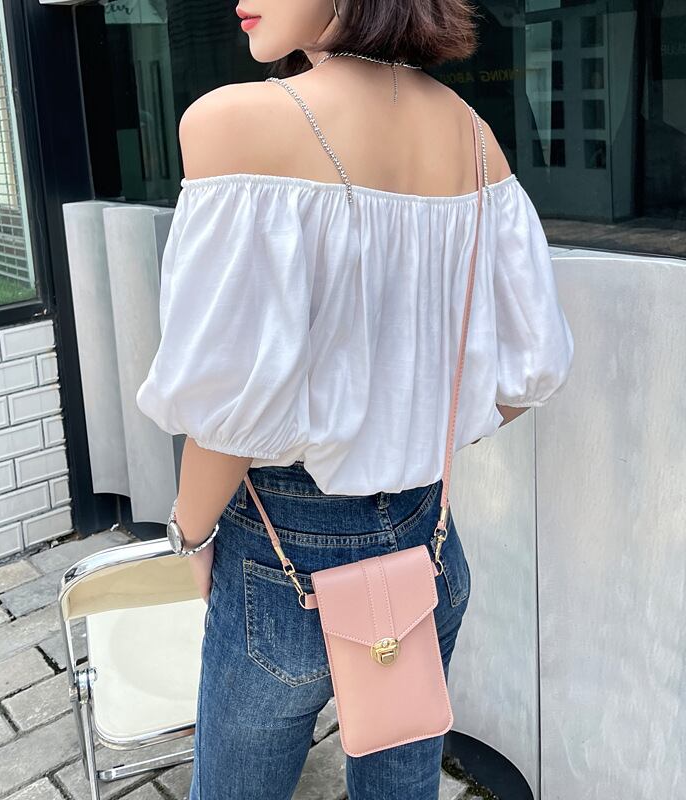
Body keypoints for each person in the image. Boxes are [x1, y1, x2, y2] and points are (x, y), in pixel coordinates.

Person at [135, 1, 575, 797]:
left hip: (280, 557)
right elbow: (529, 370)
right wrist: (404, 432)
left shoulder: (231, 122)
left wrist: (189, 536)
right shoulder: (472, 133)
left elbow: (231, 414)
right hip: (423, 543)